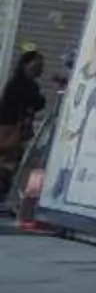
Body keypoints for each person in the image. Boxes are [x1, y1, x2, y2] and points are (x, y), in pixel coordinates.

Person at [0, 46, 44, 203]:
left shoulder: (20, 84)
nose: (40, 70)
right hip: (12, 129)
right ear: (26, 65)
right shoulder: (22, 85)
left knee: (12, 163)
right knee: (9, 162)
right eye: (36, 65)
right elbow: (37, 102)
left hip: (16, 129)